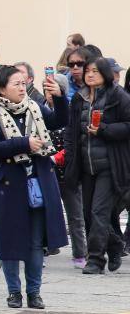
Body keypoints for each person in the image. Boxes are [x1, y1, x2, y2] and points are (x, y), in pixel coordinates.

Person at [0, 66, 69, 310]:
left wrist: (60, 98)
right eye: (16, 84)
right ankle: (13, 292)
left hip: (38, 185)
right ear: (1, 89)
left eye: (24, 83)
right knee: (10, 244)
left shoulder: (34, 106)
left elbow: (60, 121)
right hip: (8, 187)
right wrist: (24, 144)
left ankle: (34, 292)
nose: (22, 88)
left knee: (34, 244)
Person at [64, 57, 130, 274]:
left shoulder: (118, 96)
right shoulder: (80, 98)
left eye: (95, 71)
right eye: (87, 71)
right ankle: (114, 244)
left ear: (105, 73)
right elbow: (72, 132)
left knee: (99, 211)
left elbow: (127, 126)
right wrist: (70, 159)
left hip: (110, 165)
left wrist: (103, 129)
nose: (90, 74)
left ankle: (95, 259)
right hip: (85, 164)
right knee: (87, 214)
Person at [47, 74, 88, 269]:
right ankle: (43, 250)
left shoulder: (71, 113)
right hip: (48, 173)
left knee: (75, 216)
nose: (49, 95)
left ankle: (80, 253)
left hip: (69, 173)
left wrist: (56, 157)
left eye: (53, 90)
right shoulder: (42, 112)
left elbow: (74, 144)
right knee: (42, 212)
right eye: (46, 90)